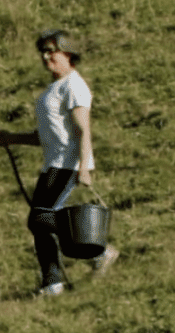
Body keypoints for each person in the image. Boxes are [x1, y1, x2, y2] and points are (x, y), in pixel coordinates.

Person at [24, 29, 112, 296]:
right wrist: (11, 138)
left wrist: (84, 166)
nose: (46, 56)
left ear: (68, 53)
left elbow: (83, 130)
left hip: (68, 164)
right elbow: (49, 135)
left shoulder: (74, 86)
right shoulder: (54, 88)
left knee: (40, 218)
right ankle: (52, 284)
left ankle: (100, 252)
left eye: (52, 50)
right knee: (38, 222)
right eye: (43, 51)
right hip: (53, 163)